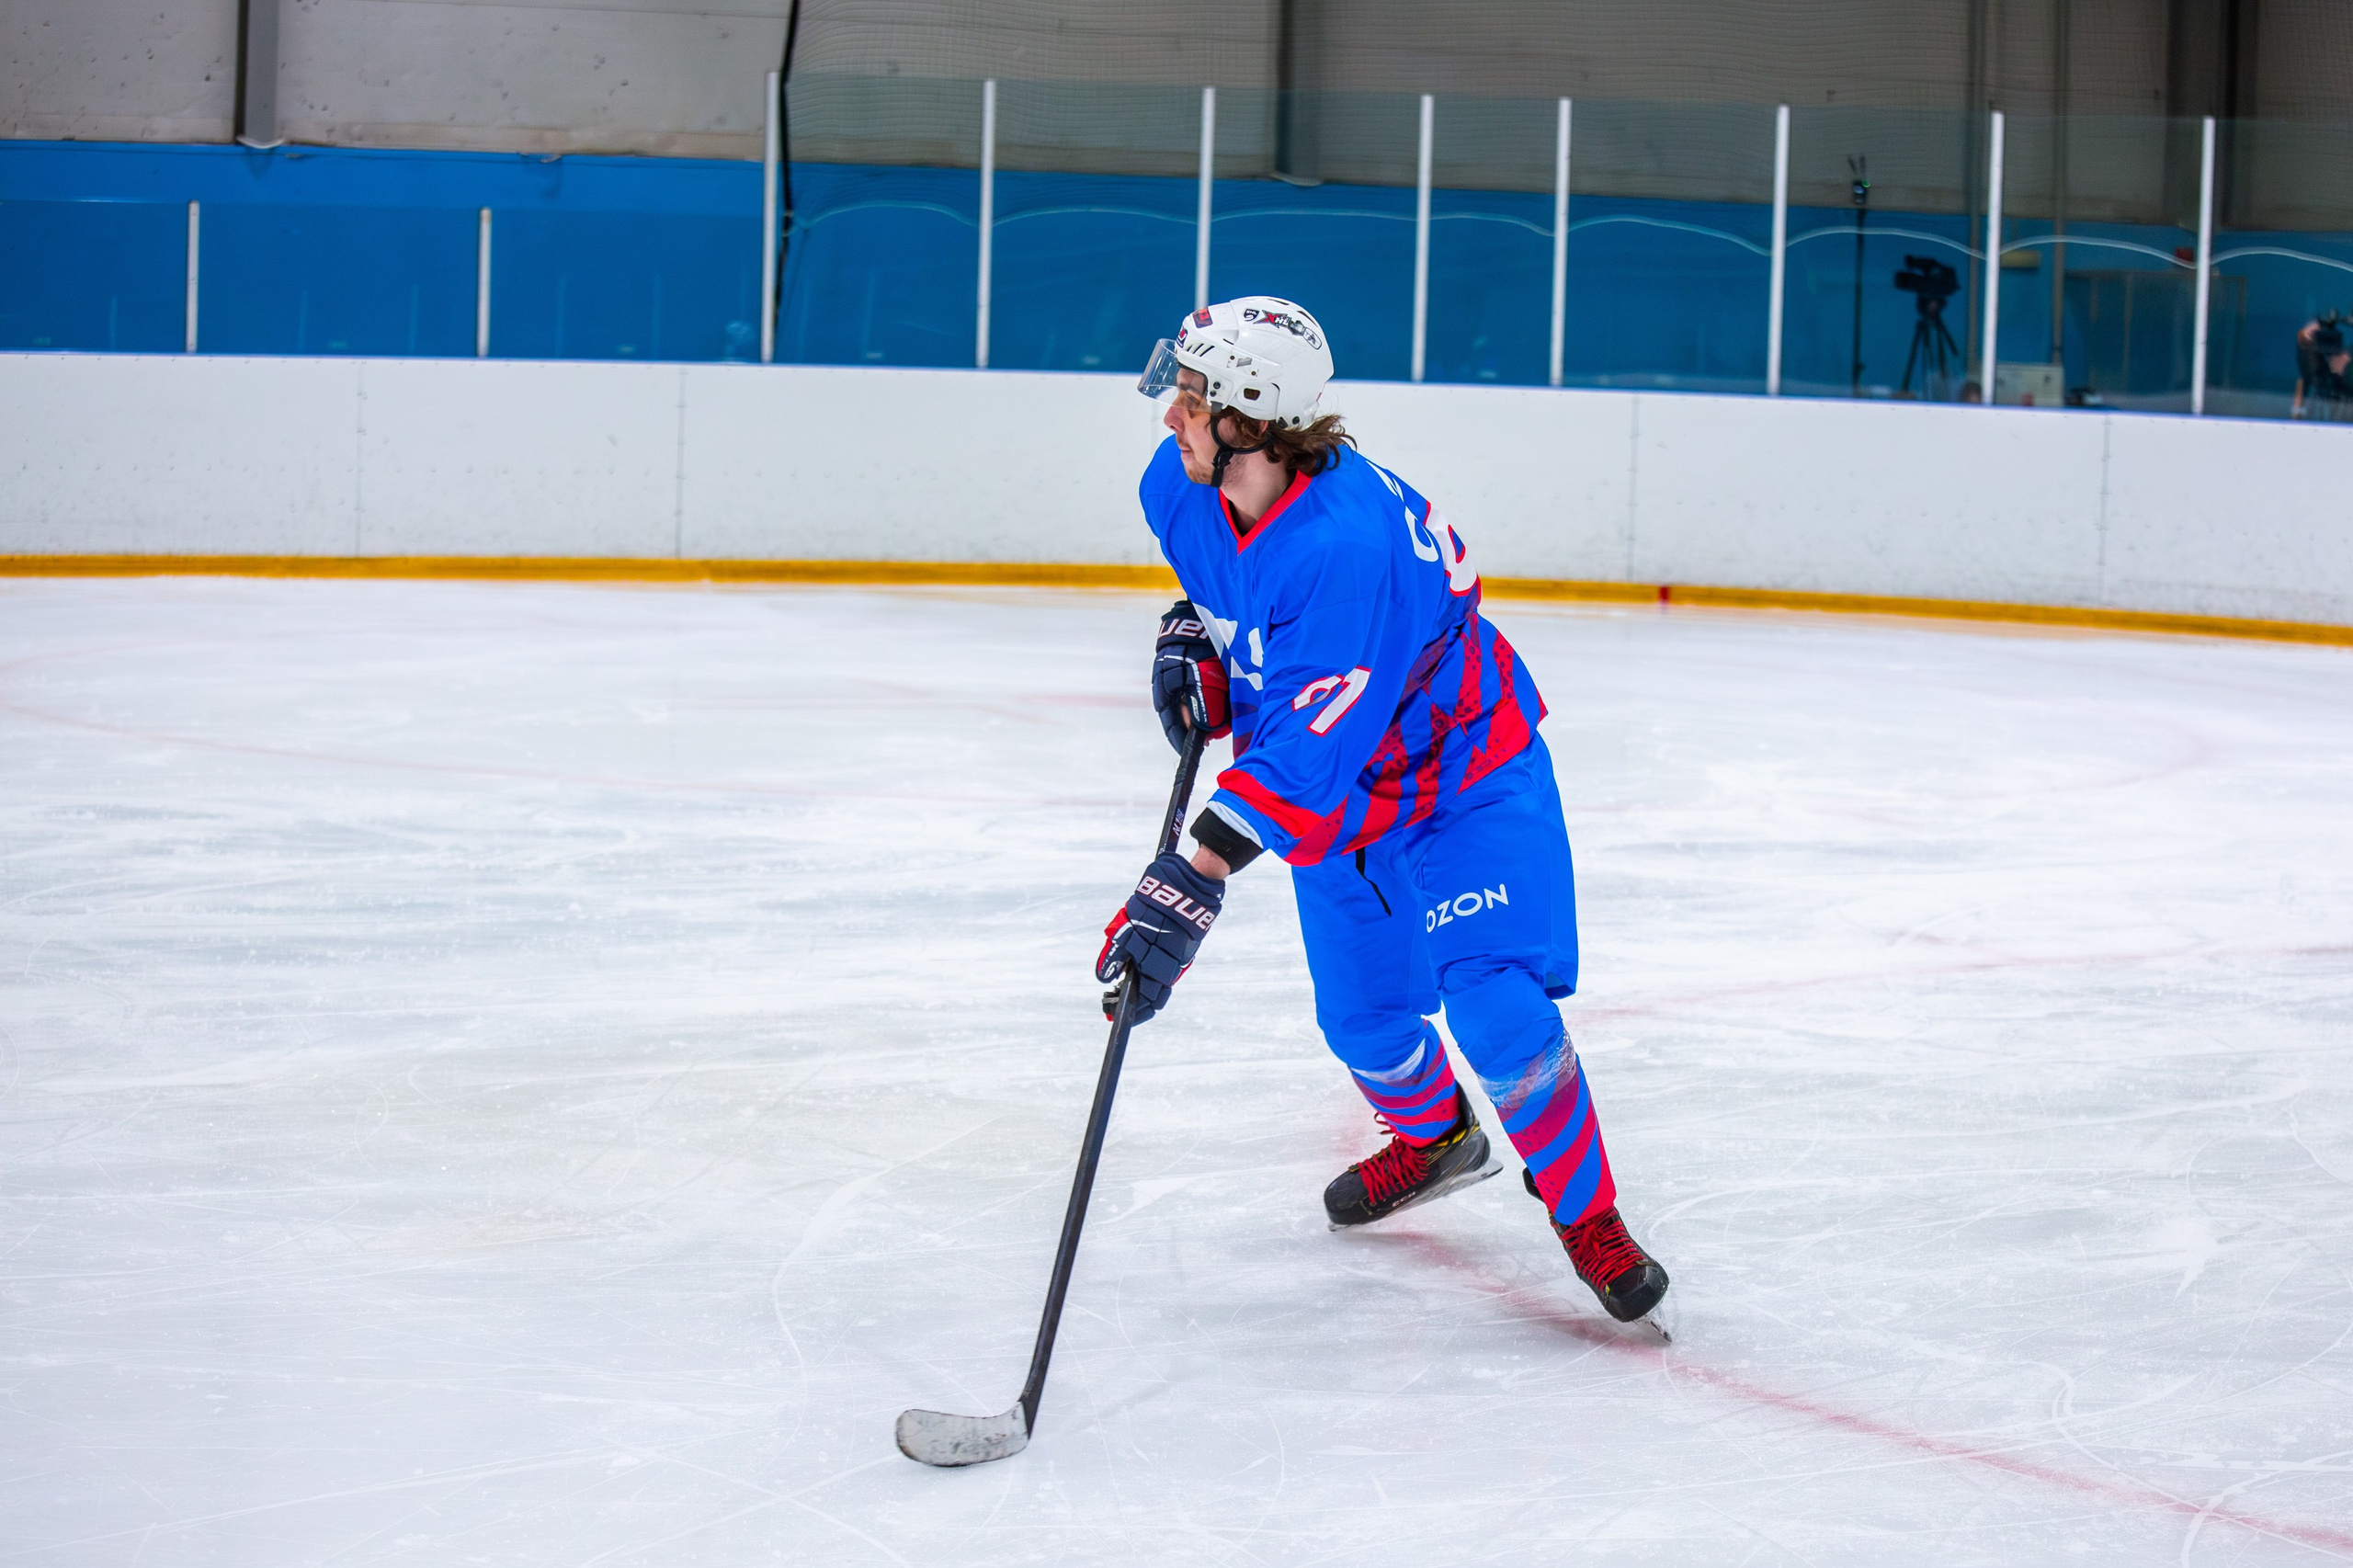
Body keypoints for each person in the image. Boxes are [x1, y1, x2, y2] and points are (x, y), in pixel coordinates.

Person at [1094, 297, 1670, 1326]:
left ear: (1250, 421)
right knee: (1361, 1020)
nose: (1168, 415)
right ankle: (1438, 1137)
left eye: (1190, 398)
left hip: (1461, 774)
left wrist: (1190, 881)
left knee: (1492, 998)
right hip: (1352, 790)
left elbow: (1305, 754)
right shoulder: (1176, 486)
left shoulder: (1344, 549)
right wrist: (1190, 633)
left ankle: (1591, 1220)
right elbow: (1225, 594)